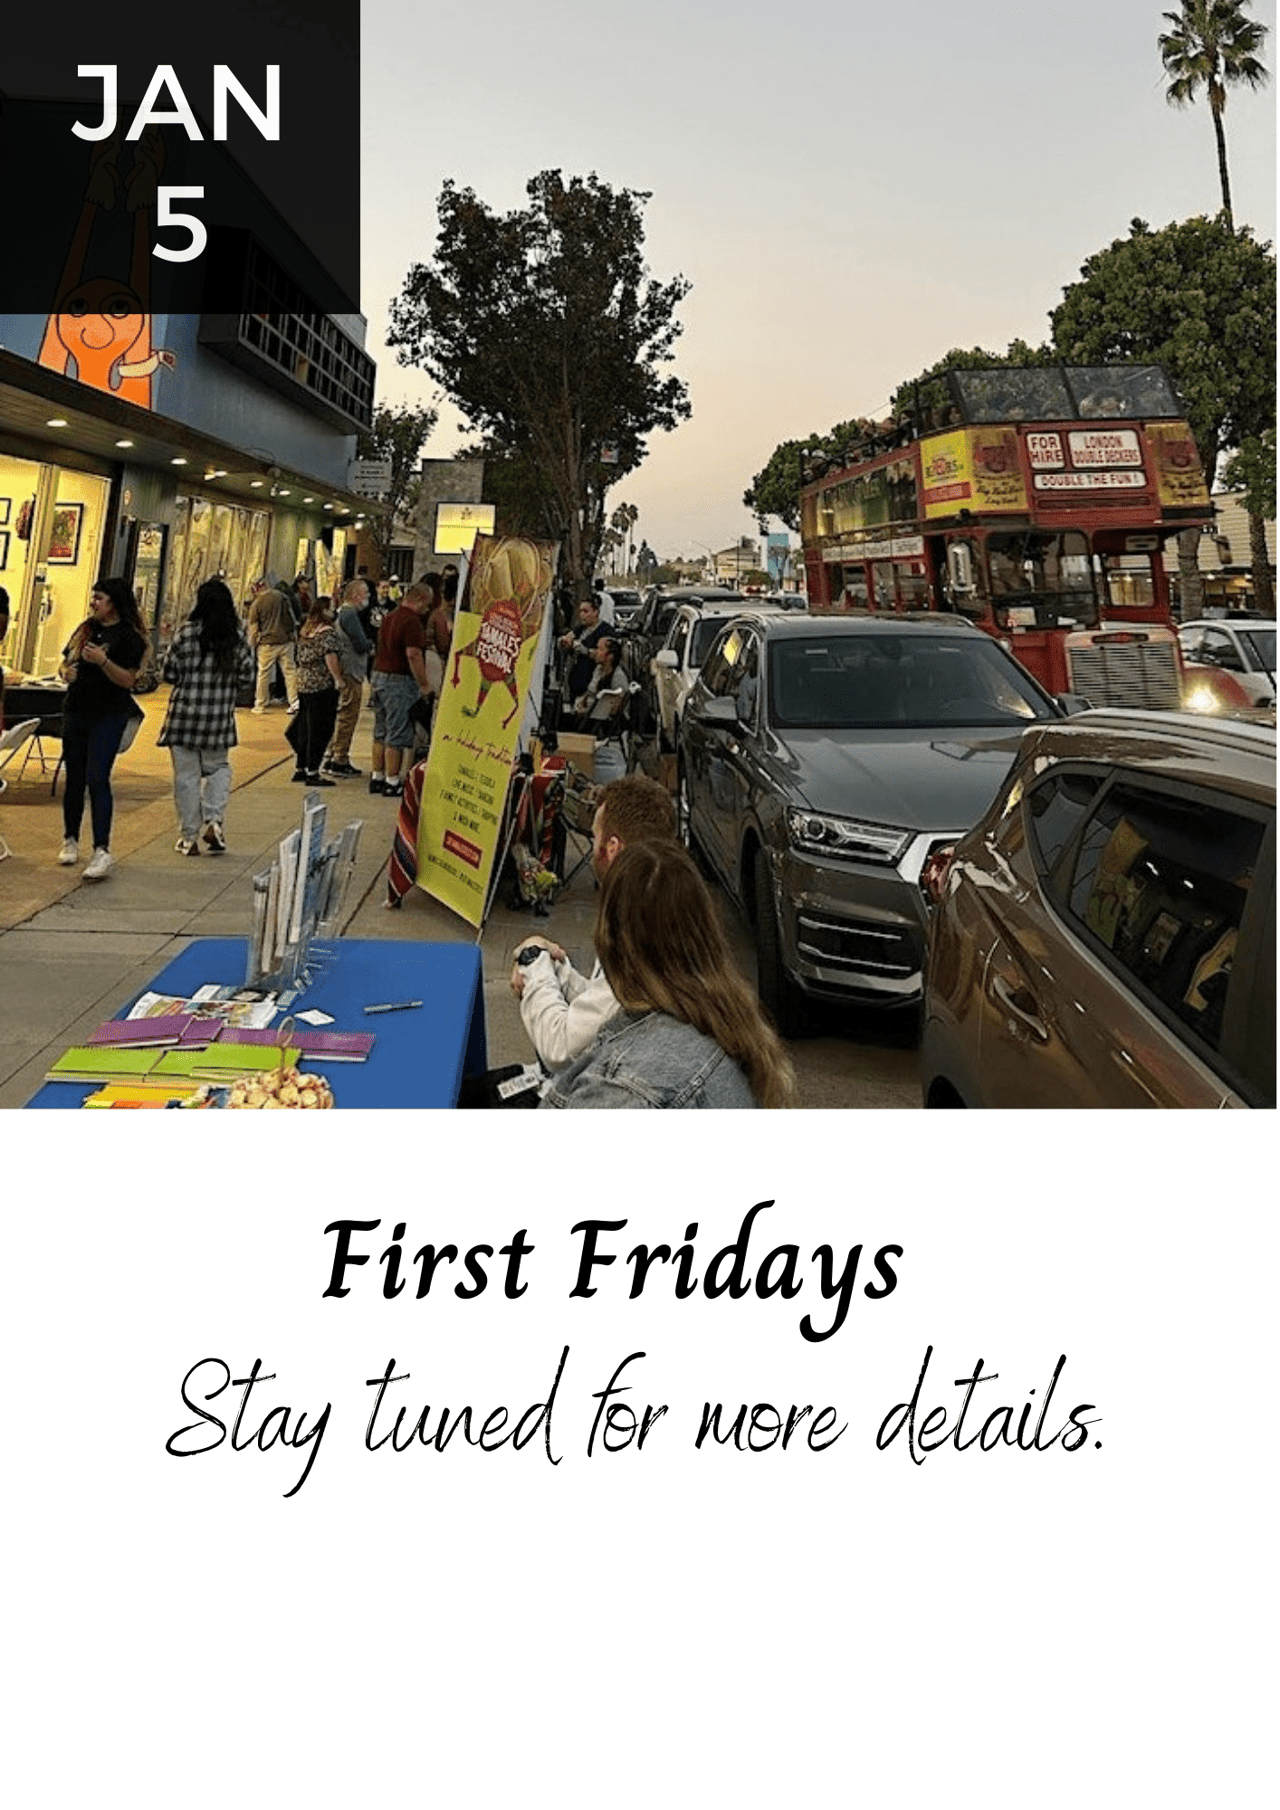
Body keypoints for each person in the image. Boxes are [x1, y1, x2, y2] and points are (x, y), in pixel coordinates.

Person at [541, 839, 795, 1109]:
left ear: (610, 938)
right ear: (705, 931)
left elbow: (560, 1046)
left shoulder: (623, 1089)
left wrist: (537, 974)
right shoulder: (732, 1026)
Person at [511, 774, 675, 1071]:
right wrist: (555, 969)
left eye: (595, 837)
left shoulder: (637, 937)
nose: (592, 848)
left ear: (613, 848)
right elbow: (604, 1011)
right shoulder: (655, 904)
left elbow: (560, 1049)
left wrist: (533, 962)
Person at [57, 576, 148, 881]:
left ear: (114, 603)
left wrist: (103, 661)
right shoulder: (85, 629)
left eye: (100, 598)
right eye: (93, 597)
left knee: (97, 777)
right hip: (77, 709)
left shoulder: (130, 638)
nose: (93, 603)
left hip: (109, 714)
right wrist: (65, 672)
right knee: (74, 777)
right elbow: (65, 661)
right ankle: (70, 837)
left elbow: (128, 680)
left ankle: (101, 848)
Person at [157, 579, 254, 854]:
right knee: (219, 768)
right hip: (218, 719)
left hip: (183, 718)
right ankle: (214, 820)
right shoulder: (236, 638)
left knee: (186, 777)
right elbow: (247, 676)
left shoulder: (185, 634)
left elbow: (169, 673)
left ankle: (189, 838)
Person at [369, 581, 434, 798]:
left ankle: (377, 776)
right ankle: (392, 780)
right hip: (399, 679)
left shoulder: (389, 617)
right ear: (420, 600)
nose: (427, 609)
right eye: (427, 605)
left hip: (378, 674)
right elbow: (413, 654)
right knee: (397, 732)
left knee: (380, 730)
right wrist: (424, 684)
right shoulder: (412, 621)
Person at [291, 594, 344, 787]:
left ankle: (301, 767)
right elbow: (330, 657)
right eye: (331, 607)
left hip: (304, 683)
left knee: (304, 727)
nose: (334, 611)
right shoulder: (327, 633)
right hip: (321, 684)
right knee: (320, 728)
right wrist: (338, 679)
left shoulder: (306, 630)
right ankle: (313, 770)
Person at [322, 578, 370, 777]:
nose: (368, 597)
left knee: (341, 715)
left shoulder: (342, 612)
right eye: (365, 593)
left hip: (346, 668)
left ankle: (332, 753)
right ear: (356, 595)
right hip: (351, 670)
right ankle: (339, 758)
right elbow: (360, 643)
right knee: (348, 716)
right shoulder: (350, 614)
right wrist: (370, 644)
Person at [247, 581, 299, 714]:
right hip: (286, 641)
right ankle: (294, 701)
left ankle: (260, 704)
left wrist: (252, 644)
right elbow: (291, 618)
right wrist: (293, 636)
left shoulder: (257, 604)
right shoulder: (282, 597)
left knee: (263, 673)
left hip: (267, 643)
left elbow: (253, 628)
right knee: (290, 672)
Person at [569, 635, 627, 732]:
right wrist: (581, 702)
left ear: (610, 656)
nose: (595, 652)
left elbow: (614, 710)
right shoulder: (598, 669)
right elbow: (589, 691)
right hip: (586, 714)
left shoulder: (618, 677)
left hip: (599, 724)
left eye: (600, 649)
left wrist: (588, 711)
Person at [559, 596, 605, 697]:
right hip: (575, 681)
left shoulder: (604, 631)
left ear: (595, 612)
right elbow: (569, 637)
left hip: (591, 684)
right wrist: (565, 642)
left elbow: (605, 656)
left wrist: (586, 651)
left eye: (586, 611)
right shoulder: (581, 628)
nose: (582, 615)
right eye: (580, 611)